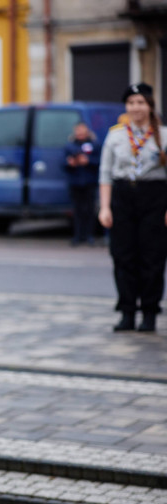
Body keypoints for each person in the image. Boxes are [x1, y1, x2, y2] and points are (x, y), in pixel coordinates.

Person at [98, 83, 167, 333]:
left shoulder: (164, 135)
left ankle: (149, 313)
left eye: (140, 102)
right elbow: (105, 174)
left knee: (152, 258)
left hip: (154, 198)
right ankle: (127, 312)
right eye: (131, 103)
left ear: (149, 105)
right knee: (123, 257)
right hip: (123, 198)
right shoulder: (115, 135)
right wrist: (105, 208)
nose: (135, 107)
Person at [64, 122, 101, 247]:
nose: (80, 133)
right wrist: (71, 163)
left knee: (89, 210)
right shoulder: (70, 146)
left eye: (82, 131)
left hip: (90, 182)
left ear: (87, 131)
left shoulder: (94, 144)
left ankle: (89, 235)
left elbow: (101, 162)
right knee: (77, 210)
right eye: (78, 131)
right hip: (75, 183)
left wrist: (88, 161)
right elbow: (63, 163)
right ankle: (78, 236)